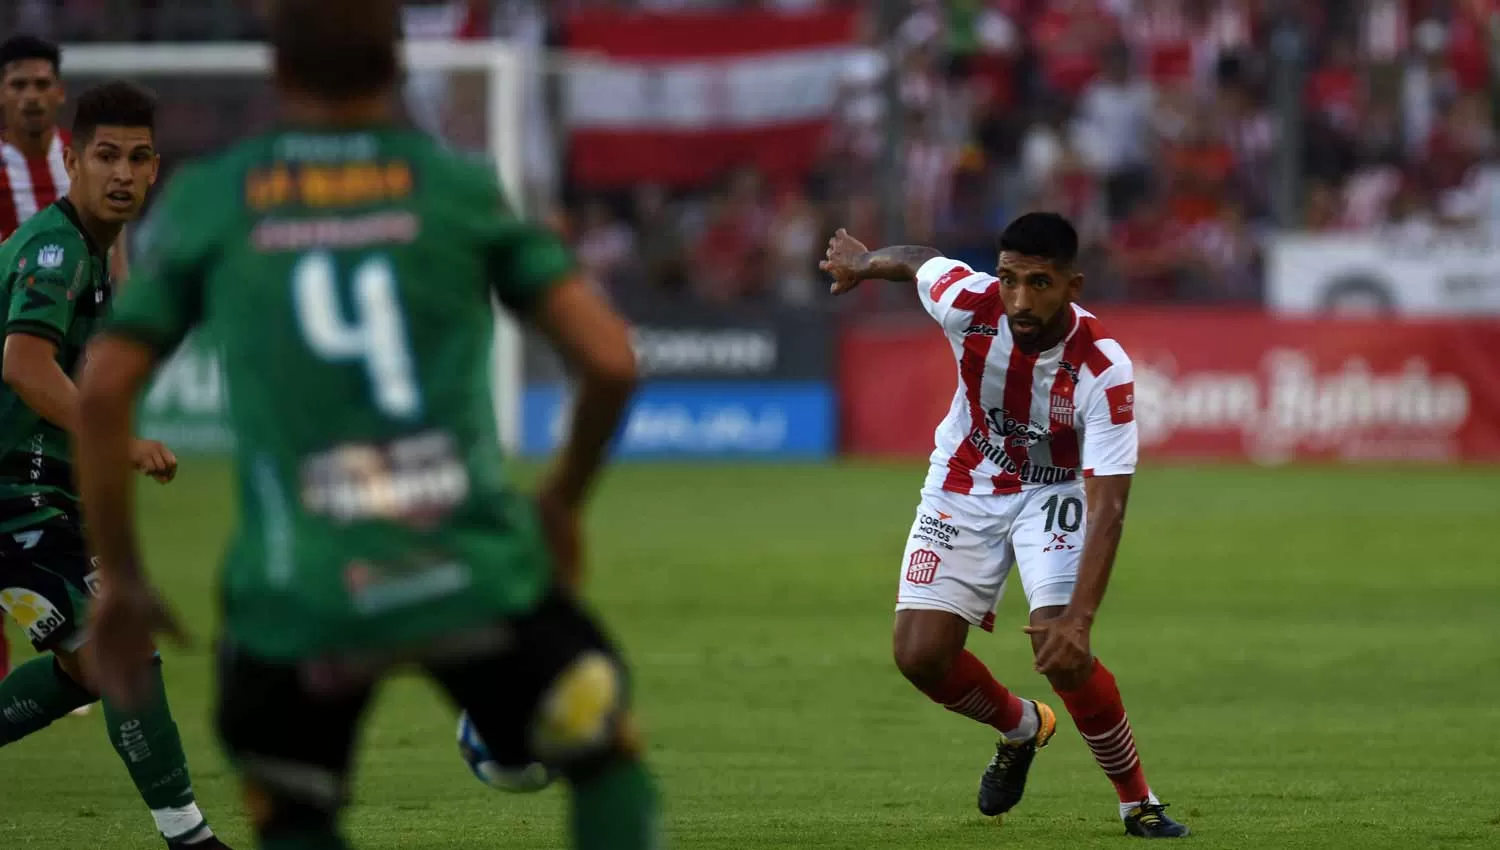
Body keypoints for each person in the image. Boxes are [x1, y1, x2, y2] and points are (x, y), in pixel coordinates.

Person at [74, 2, 660, 849]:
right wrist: (562, 502)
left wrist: (124, 580)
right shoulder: (457, 188)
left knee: (297, 816)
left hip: (296, 592)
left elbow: (102, 391)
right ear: (396, 73)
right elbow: (610, 359)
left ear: (275, 75)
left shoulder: (217, 197)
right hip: (467, 562)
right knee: (606, 756)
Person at [819, 213, 1190, 839]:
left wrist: (1080, 619)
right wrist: (863, 264)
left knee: (1060, 648)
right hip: (966, 477)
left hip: (1056, 492)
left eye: (1039, 283)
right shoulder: (967, 302)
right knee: (919, 657)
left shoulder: (1103, 370)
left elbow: (1109, 508)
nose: (1020, 299)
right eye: (1010, 278)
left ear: (1072, 285)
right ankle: (1022, 728)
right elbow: (919, 258)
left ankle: (1138, 803)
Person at [0, 80, 232, 849]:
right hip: (9, 498)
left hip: (35, 496)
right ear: (70, 160)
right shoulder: (57, 248)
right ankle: (190, 838)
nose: (122, 173)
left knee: (83, 672)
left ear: (156, 168)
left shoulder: (94, 249)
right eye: (105, 156)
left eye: (137, 158)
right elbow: (26, 368)